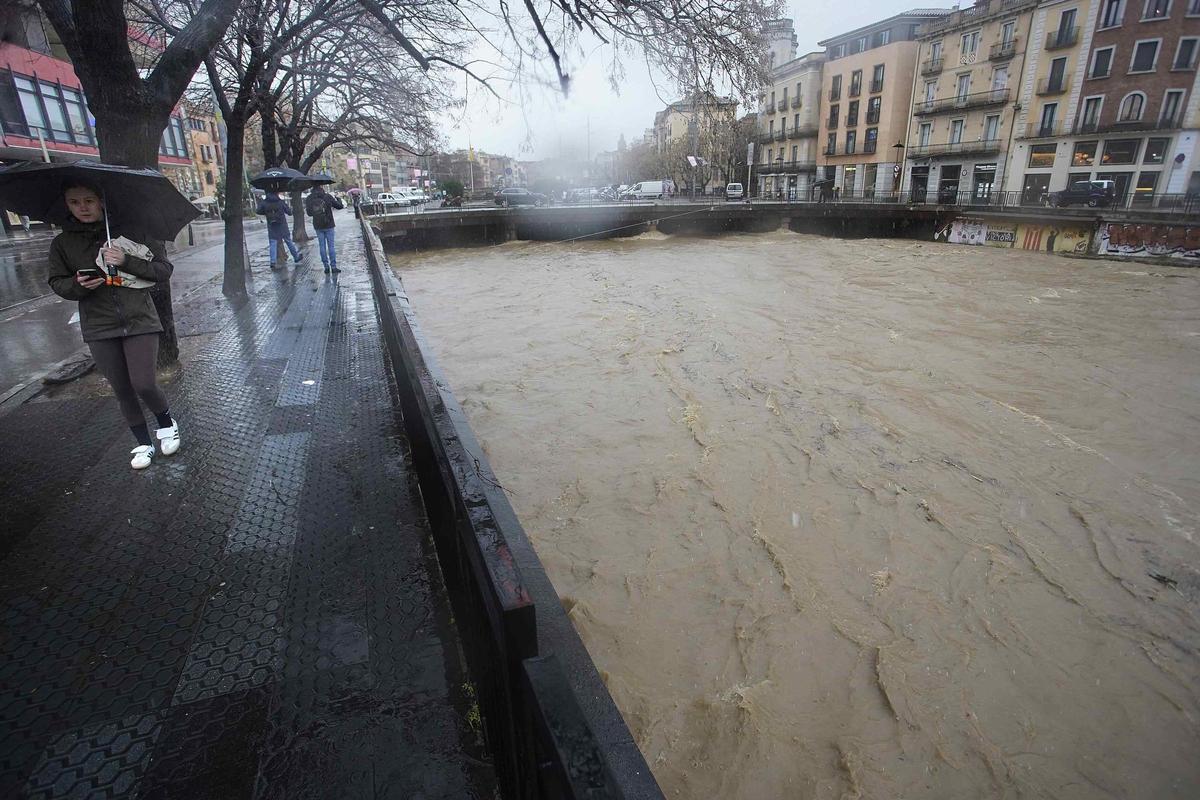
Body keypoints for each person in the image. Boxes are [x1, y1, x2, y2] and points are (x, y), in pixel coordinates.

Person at [46, 181, 180, 470]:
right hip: (99, 324)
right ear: (67, 205)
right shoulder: (63, 243)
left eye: (88, 200)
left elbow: (163, 269)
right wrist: (78, 285)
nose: (82, 207)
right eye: (74, 202)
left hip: (139, 318)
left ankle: (167, 423)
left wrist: (126, 260)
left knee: (143, 382)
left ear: (102, 201)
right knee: (122, 388)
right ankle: (143, 442)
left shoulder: (133, 230)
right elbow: (57, 282)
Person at [304, 184, 344, 273]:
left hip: (318, 225)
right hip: (329, 224)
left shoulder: (309, 198)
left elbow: (309, 213)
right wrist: (338, 198)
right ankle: (333, 267)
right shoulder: (327, 196)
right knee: (331, 246)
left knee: (322, 246)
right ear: (321, 186)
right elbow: (339, 206)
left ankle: (326, 267)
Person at [256, 190, 302, 268]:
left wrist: (266, 212)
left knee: (273, 243)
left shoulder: (265, 202)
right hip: (282, 225)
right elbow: (289, 212)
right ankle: (296, 257)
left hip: (271, 226)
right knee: (288, 241)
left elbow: (258, 211)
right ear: (276, 193)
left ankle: (273, 262)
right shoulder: (280, 201)